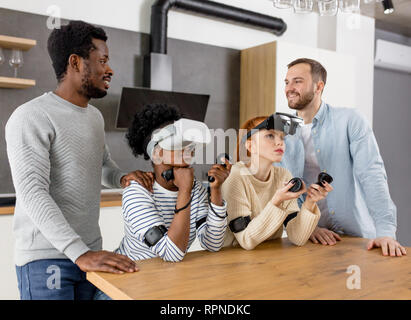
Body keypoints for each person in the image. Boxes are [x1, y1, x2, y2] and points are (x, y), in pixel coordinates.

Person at [5, 20, 154, 300]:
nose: (109, 70)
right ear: (75, 62)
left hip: (90, 254)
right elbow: (32, 193)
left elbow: (102, 165)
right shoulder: (31, 116)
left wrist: (121, 178)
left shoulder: (94, 117)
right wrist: (79, 253)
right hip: (46, 259)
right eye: (102, 60)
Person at [94, 103, 231, 300]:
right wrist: (184, 190)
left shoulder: (196, 189)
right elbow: (171, 253)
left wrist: (216, 192)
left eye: (190, 146)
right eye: (181, 145)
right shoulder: (138, 192)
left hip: (163, 281)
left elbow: (213, 243)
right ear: (157, 152)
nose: (189, 151)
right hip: (121, 286)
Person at [280, 57, 406, 257]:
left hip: (357, 234)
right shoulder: (283, 133)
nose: (289, 88)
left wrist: (385, 231)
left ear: (318, 86)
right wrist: (307, 226)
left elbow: (371, 174)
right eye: (287, 82)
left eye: (298, 81)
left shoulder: (350, 120)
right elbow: (284, 188)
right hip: (312, 237)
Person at [221, 114, 332, 250]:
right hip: (234, 261)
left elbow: (297, 237)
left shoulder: (283, 175)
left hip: (270, 259)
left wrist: (310, 202)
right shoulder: (235, 176)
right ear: (250, 146)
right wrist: (277, 201)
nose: (280, 142)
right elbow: (246, 239)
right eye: (270, 136)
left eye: (282, 138)